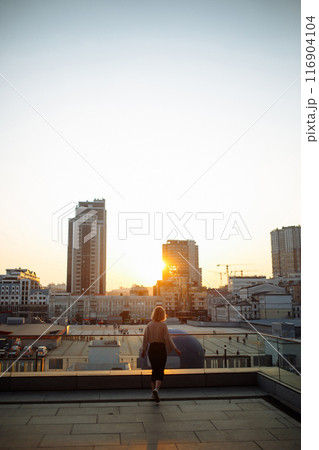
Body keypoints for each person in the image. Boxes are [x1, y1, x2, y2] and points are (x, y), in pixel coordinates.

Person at [141, 306, 181, 403]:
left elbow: (145, 339)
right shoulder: (163, 325)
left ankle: (152, 394)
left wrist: (143, 350)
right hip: (161, 349)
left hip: (152, 349)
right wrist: (175, 349)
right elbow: (168, 338)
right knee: (160, 370)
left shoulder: (149, 325)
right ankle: (157, 389)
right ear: (163, 315)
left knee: (154, 370)